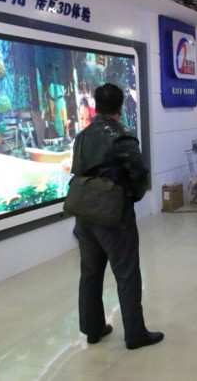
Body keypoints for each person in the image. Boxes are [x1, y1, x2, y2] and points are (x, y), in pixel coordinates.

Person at [71, 84, 162, 350]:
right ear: (120, 107)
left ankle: (93, 328)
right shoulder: (123, 137)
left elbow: (77, 169)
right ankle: (135, 333)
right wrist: (130, 196)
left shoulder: (82, 136)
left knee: (90, 272)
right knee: (127, 272)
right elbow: (140, 174)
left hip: (84, 212)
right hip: (113, 213)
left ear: (96, 106)